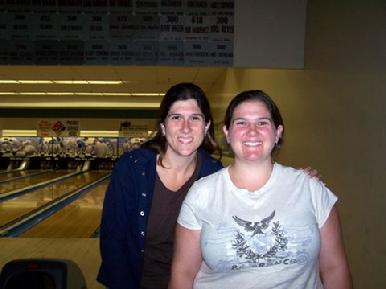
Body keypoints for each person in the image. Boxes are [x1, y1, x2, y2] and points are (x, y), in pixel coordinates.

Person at [169, 90, 353, 289]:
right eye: (241, 122)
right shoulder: (202, 194)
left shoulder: (311, 190)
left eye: (262, 122)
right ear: (227, 133)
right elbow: (183, 273)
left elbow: (334, 268)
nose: (252, 131)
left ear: (278, 132)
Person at [97, 82, 223, 289]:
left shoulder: (215, 174)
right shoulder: (132, 168)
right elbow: (113, 240)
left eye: (195, 118)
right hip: (136, 282)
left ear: (206, 126)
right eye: (176, 118)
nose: (185, 127)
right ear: (163, 127)